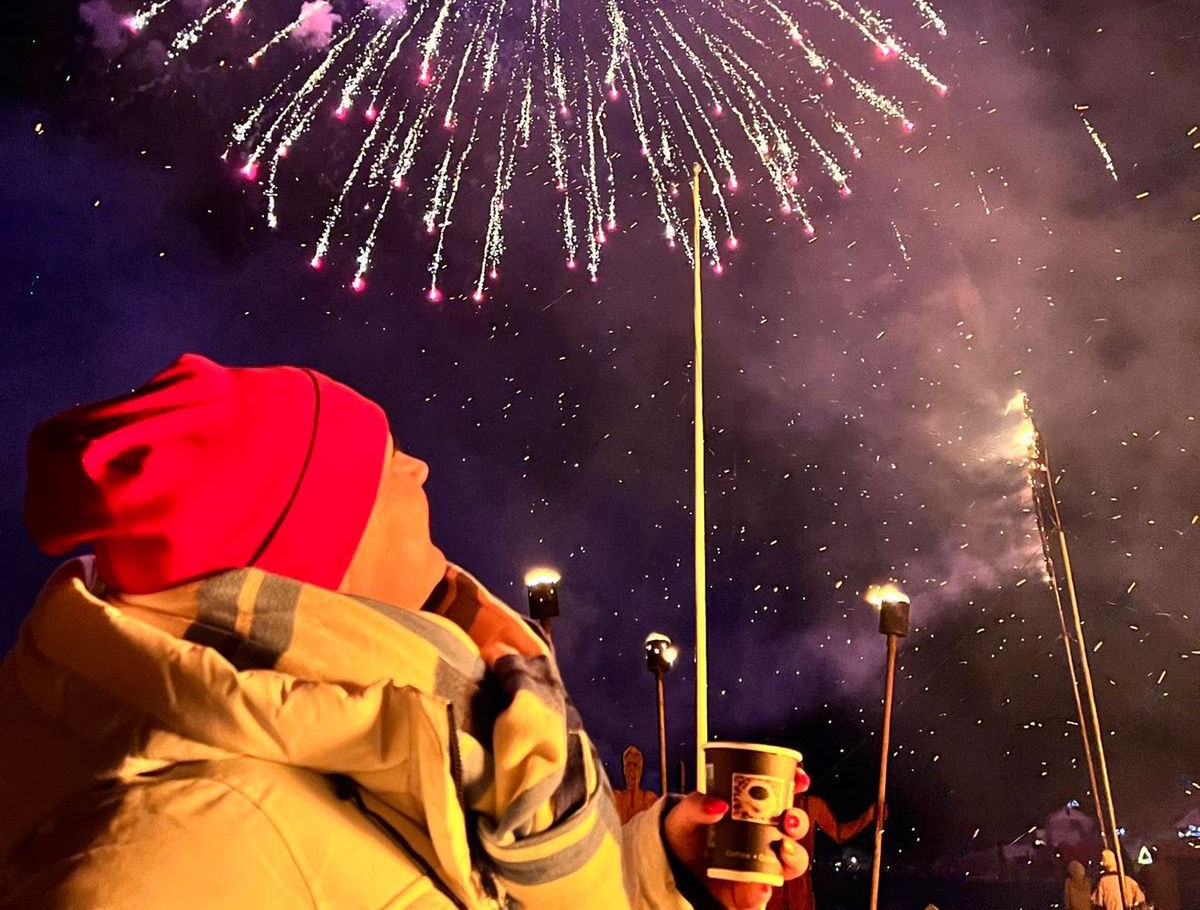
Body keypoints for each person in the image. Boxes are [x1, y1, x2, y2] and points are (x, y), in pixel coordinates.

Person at [0, 354, 812, 909]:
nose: (419, 469)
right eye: (383, 460)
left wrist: (662, 869)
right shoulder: (163, 858)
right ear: (319, 550)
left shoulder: (397, 737)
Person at [765, 796, 877, 910]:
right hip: (769, 882)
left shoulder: (811, 805)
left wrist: (868, 817)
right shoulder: (769, 802)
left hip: (799, 888)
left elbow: (838, 834)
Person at [614, 746, 660, 824]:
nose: (631, 770)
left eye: (635, 765)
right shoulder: (616, 799)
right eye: (628, 765)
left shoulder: (649, 800)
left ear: (640, 770)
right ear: (624, 770)